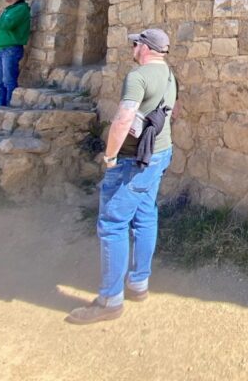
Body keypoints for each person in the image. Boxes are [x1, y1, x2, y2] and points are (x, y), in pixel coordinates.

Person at [67, 28, 177, 325]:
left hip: (133, 160)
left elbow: (124, 117)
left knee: (113, 224)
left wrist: (111, 155)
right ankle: (138, 283)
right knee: (145, 216)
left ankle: (110, 300)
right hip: (160, 153)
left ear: (145, 47)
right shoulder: (169, 76)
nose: (132, 46)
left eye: (135, 42)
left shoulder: (138, 76)